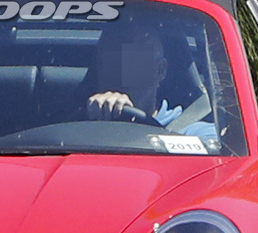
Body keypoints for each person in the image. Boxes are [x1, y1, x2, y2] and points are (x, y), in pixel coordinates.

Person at [83, 23, 220, 146]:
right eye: (111, 62)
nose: (121, 70)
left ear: (160, 71)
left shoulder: (194, 133)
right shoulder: (73, 131)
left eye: (134, 60)